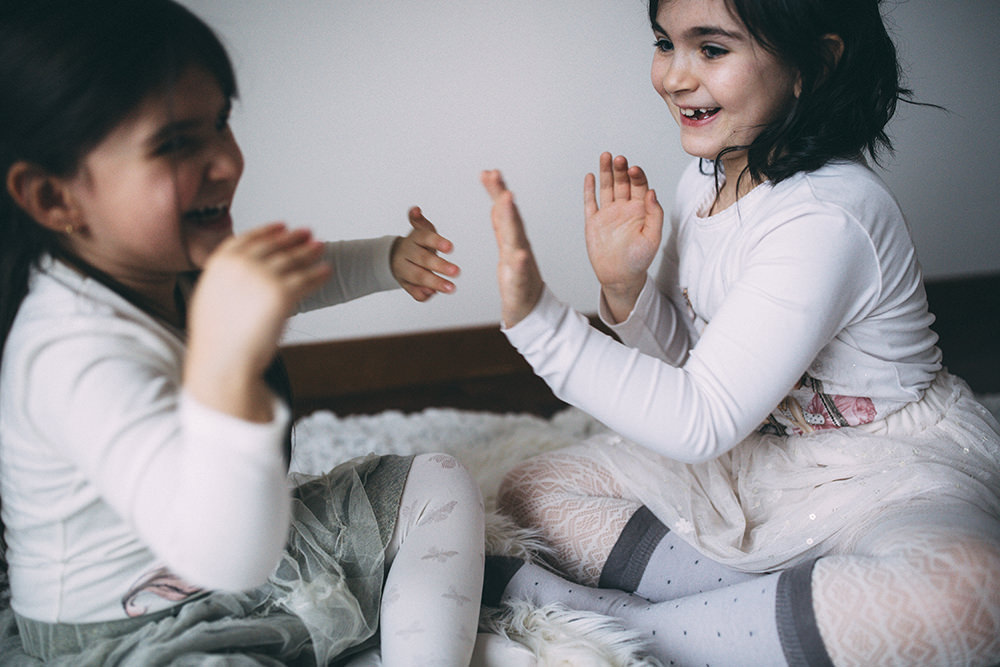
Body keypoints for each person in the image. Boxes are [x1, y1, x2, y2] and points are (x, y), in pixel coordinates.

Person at [480, 0, 1000, 665]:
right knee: (531, 489)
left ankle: (633, 624)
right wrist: (627, 288)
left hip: (882, 473)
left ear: (817, 61)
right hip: (752, 458)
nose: (674, 75)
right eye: (665, 44)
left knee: (969, 590)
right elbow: (695, 372)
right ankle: (768, 612)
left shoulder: (828, 214)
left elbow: (700, 419)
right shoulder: (704, 182)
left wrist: (543, 329)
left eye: (712, 49)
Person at [0, 1, 485, 664]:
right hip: (129, 630)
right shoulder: (69, 353)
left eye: (221, 123)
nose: (227, 162)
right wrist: (226, 368)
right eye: (176, 144)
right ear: (56, 200)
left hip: (253, 556)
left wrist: (386, 259)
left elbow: (297, 276)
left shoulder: (171, 263)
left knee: (434, 480)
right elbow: (226, 553)